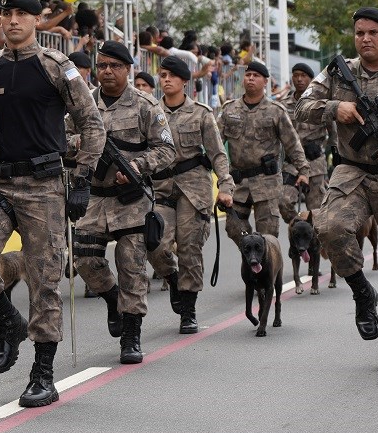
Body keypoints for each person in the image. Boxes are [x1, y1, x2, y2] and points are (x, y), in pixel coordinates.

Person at [0, 0, 105, 407]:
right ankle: (8, 322)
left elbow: (92, 125)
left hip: (44, 186)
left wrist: (83, 180)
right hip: (0, 183)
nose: (13, 20)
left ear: (38, 21)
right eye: (7, 14)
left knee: (45, 282)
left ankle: (43, 374)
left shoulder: (58, 67)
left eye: (22, 14)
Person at [74, 41, 176, 363]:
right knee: (85, 261)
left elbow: (167, 150)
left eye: (114, 66)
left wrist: (136, 166)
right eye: (101, 65)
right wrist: (84, 144)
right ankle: (111, 297)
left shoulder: (146, 105)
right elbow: (60, 140)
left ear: (127, 69)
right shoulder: (83, 104)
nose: (106, 71)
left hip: (130, 199)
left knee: (131, 265)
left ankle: (131, 336)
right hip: (93, 198)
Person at [295, 8, 378, 364]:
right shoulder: (338, 71)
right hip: (353, 170)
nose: (364, 39)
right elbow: (301, 106)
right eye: (359, 32)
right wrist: (336, 108)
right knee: (329, 226)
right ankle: (362, 293)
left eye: (373, 32)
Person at [147, 56, 234, 333]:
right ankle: (173, 279)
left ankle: (188, 308)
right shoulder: (150, 112)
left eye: (172, 76)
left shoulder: (201, 113)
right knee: (155, 244)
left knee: (189, 247)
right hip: (160, 187)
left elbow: (218, 154)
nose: (166, 80)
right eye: (162, 75)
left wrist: (226, 186)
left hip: (194, 188)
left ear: (185, 81)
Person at [218, 61, 308, 248]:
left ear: (265, 81)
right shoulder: (230, 109)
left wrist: (304, 171)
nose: (251, 78)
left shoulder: (275, 111)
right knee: (234, 228)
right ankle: (253, 252)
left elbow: (292, 143)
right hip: (239, 182)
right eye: (248, 75)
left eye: (256, 76)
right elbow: (216, 145)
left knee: (268, 236)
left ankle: (268, 269)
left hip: (266, 183)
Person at [277, 62, 328, 222]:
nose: (299, 79)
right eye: (296, 75)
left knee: (317, 211)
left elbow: (335, 133)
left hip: (314, 163)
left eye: (303, 76)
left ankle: (314, 241)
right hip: (292, 164)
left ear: (311, 79)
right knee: (283, 201)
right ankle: (300, 228)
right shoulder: (284, 105)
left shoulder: (320, 103)